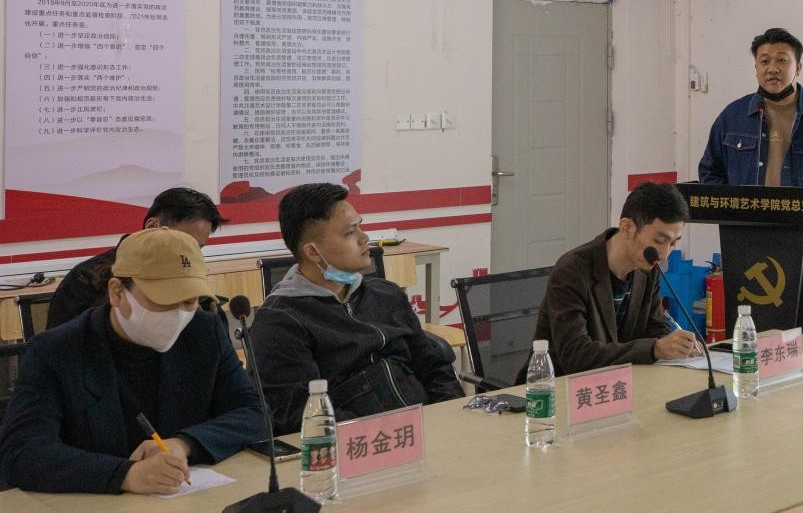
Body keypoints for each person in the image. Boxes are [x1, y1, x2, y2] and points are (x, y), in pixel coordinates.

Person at [0, 228, 265, 495]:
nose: (178, 315)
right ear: (117, 292)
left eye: (189, 301)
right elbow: (21, 452)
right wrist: (124, 475)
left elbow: (254, 413)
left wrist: (184, 444)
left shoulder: (204, 332)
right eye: (163, 300)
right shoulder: (56, 351)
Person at [248, 183, 464, 435]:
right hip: (359, 443)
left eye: (360, 226)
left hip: (424, 431)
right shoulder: (281, 321)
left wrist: (448, 418)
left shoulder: (387, 294)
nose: (364, 238)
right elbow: (301, 414)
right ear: (313, 252)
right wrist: (385, 435)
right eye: (350, 232)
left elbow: (434, 367)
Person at [698, 27, 803, 336]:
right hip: (746, 249)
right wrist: (733, 214)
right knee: (748, 339)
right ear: (755, 67)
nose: (772, 68)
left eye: (781, 60)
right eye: (764, 61)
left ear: (798, 67)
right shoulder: (733, 116)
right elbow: (710, 172)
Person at [529, 181, 698, 379]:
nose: (664, 253)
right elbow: (575, 355)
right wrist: (654, 348)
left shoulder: (648, 268)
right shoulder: (572, 270)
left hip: (620, 382)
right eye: (659, 241)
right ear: (626, 227)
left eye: (673, 243)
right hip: (557, 387)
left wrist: (677, 344)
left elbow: (654, 327)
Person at [47, 186, 225, 330]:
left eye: (197, 248)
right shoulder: (85, 279)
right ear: (152, 226)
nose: (190, 254)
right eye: (183, 243)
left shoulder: (189, 276)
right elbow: (63, 349)